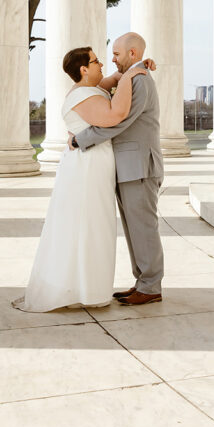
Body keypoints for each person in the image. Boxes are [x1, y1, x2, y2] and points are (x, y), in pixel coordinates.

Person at [12, 46, 149, 312]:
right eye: (96, 61)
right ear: (83, 69)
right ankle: (82, 289)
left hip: (95, 163)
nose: (102, 65)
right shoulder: (83, 95)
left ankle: (88, 287)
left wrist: (136, 67)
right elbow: (115, 115)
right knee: (88, 223)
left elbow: (113, 80)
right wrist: (132, 75)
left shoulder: (92, 88)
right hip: (87, 166)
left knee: (95, 223)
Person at [70, 32, 164, 306]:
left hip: (139, 166)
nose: (112, 59)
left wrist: (81, 139)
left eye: (117, 54)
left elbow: (118, 122)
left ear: (132, 54)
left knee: (144, 228)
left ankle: (150, 285)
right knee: (134, 228)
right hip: (128, 167)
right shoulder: (131, 77)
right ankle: (143, 282)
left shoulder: (140, 81)